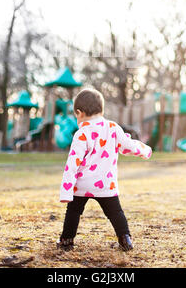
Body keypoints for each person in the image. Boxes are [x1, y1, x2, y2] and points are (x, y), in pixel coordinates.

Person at [57, 88, 152, 251]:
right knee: (116, 213)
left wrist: (66, 192)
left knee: (73, 212)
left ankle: (66, 240)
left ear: (79, 113)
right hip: (106, 184)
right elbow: (128, 146)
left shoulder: (81, 133)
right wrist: (144, 150)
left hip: (82, 185)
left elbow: (72, 164)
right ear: (101, 109)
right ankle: (125, 239)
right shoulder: (113, 127)